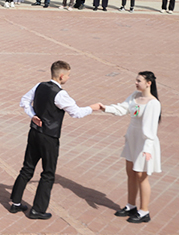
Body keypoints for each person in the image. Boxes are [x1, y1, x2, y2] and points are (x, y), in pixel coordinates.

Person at [9, 61, 101, 219]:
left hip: (34, 133)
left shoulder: (39, 85)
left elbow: (24, 101)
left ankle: (15, 202)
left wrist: (33, 116)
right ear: (62, 75)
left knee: (27, 168)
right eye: (68, 75)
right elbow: (76, 113)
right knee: (48, 173)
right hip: (49, 137)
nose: (68, 78)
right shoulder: (60, 94)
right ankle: (38, 209)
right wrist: (93, 108)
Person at [98, 72, 161, 223]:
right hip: (132, 139)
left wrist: (147, 149)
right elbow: (122, 109)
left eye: (139, 80)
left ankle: (144, 211)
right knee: (131, 172)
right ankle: (130, 205)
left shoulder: (153, 103)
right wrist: (104, 108)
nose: (136, 83)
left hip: (144, 142)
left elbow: (151, 130)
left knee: (141, 175)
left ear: (148, 83)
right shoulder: (134, 96)